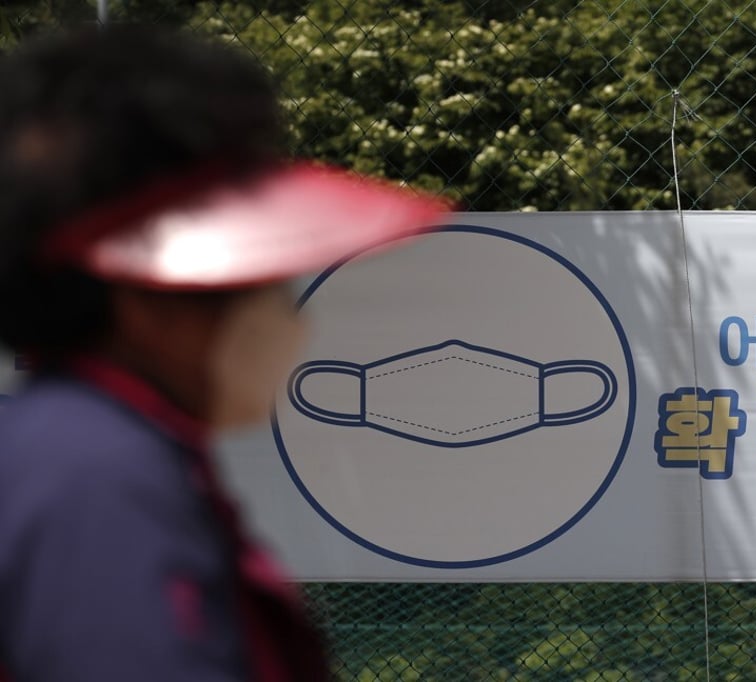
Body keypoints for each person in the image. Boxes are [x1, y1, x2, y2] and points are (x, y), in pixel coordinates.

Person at [0, 25, 446, 682]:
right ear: (142, 295)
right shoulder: (95, 474)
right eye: (247, 278)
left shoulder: (82, 447)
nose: (277, 306)